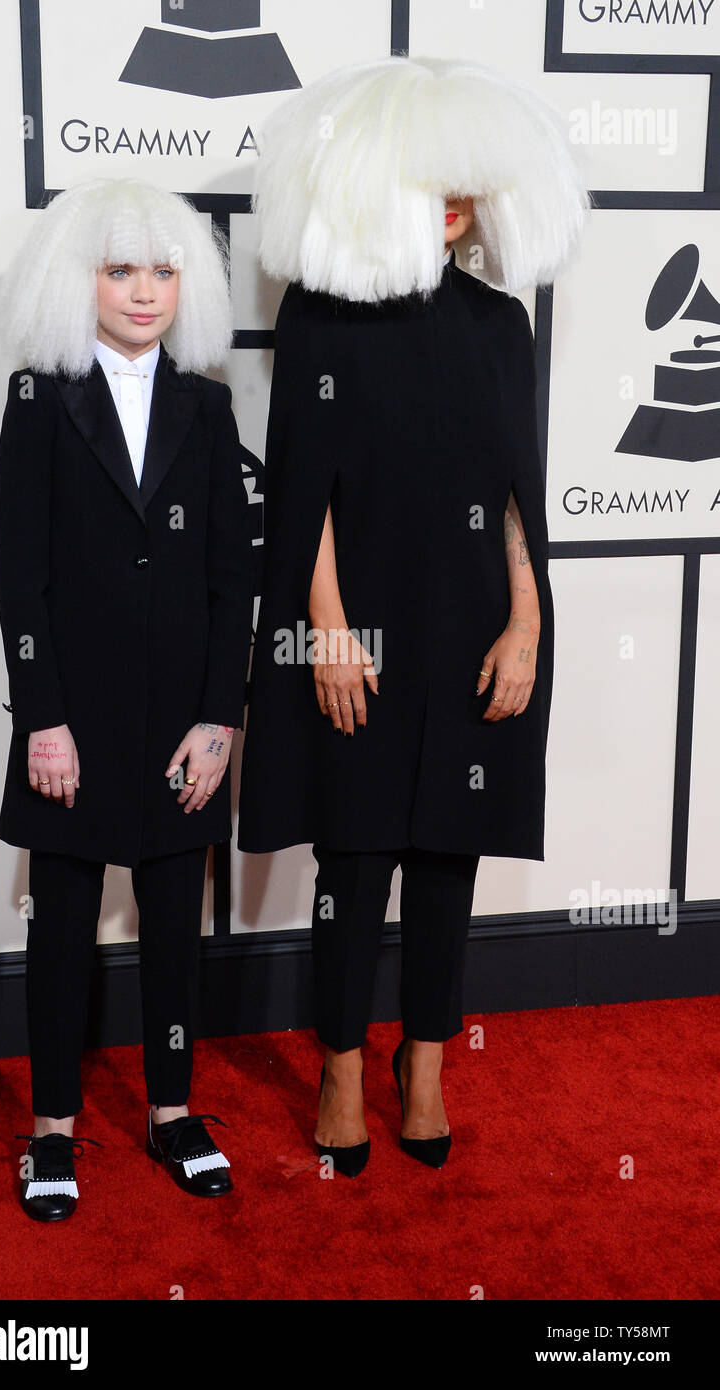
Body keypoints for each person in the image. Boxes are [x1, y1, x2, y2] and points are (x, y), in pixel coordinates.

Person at [237, 57, 590, 1176]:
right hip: (361, 619)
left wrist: (529, 616)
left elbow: (521, 491)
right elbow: (303, 492)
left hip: (477, 619)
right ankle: (343, 1063)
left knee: (451, 853)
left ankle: (424, 1063)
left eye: (464, 183)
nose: (450, 200)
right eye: (426, 178)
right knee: (356, 852)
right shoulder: (323, 317)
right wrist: (328, 626)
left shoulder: (500, 323)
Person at [0, 177, 256, 1219]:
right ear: (80, 278)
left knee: (173, 927)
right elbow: (24, 577)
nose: (144, 292)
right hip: (75, 721)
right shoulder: (39, 395)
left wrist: (219, 717)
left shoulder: (208, 401)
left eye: (162, 270)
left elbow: (233, 577)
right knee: (61, 923)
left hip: (180, 721)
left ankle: (173, 1111)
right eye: (119, 269)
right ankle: (53, 1129)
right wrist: (42, 719)